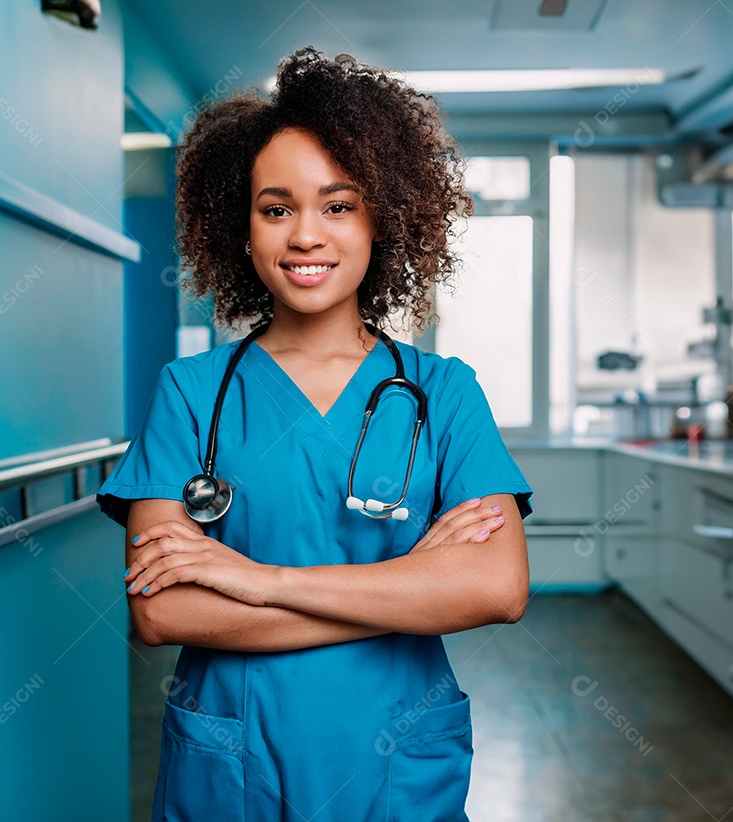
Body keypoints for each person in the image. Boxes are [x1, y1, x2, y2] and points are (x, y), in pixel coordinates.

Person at [97, 46, 533, 822]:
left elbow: (496, 588)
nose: (306, 235)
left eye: (338, 205)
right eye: (276, 208)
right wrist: (409, 586)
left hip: (395, 760)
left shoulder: (443, 391)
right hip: (235, 764)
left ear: (383, 217)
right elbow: (161, 612)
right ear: (244, 226)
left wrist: (257, 579)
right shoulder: (192, 392)